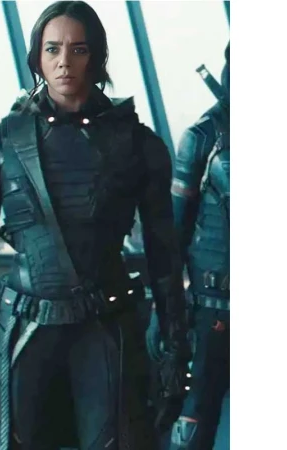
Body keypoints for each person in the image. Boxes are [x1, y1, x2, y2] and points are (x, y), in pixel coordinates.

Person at [0, 2, 190, 449]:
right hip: (26, 333)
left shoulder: (140, 146)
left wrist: (176, 355)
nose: (64, 62)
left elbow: (165, 256)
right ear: (37, 57)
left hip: (106, 331)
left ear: (96, 57)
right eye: (52, 49)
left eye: (78, 49)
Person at [150, 43, 230, 450]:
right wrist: (161, 314)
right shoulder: (203, 138)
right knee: (193, 426)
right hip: (213, 309)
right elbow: (173, 236)